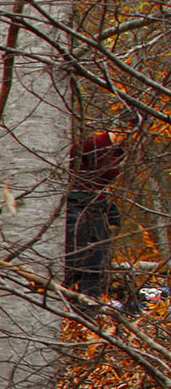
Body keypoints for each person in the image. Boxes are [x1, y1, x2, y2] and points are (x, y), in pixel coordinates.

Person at [67, 112, 139, 299]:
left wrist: (107, 204)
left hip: (96, 205)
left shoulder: (119, 151)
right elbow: (69, 166)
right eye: (135, 131)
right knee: (75, 254)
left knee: (99, 255)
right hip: (75, 204)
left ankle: (90, 304)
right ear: (126, 127)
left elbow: (101, 182)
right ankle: (65, 299)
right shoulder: (94, 144)